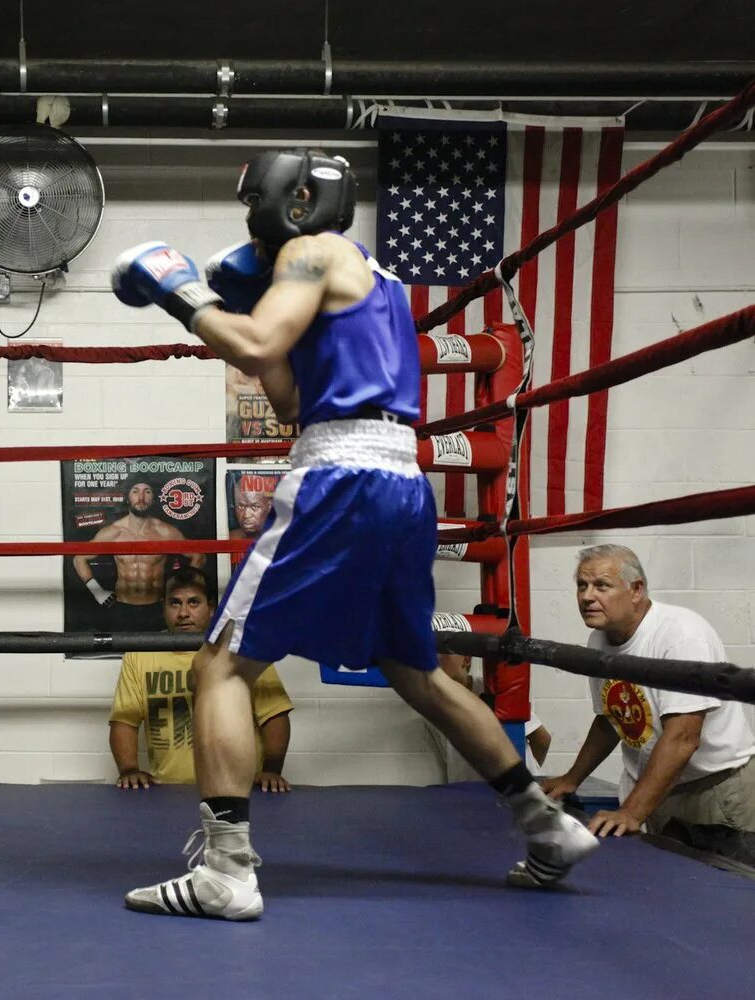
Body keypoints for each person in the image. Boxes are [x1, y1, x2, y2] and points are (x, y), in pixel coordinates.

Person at [108, 148, 597, 920]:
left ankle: (227, 873)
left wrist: (182, 292)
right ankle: (548, 824)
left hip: (340, 475)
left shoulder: (311, 251)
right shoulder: (377, 281)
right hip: (403, 484)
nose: (249, 228)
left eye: (252, 210)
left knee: (222, 667)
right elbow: (289, 390)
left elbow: (257, 347)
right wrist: (240, 304)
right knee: (420, 673)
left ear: (290, 201)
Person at [541, 545, 755, 857]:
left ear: (636, 590)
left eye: (601, 585)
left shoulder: (681, 635)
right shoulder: (599, 640)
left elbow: (682, 738)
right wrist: (573, 778)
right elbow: (611, 719)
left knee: (729, 897)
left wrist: (631, 812)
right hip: (661, 788)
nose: (587, 596)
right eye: (582, 585)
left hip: (715, 791)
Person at [111, 568, 292, 792]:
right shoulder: (140, 655)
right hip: (168, 794)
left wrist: (272, 771)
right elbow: (124, 721)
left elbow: (275, 715)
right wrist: (129, 770)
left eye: (193, 603)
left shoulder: (243, 652)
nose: (183, 613)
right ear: (163, 607)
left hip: (237, 790)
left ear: (212, 608)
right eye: (175, 603)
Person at [72, 481, 205, 632]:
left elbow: (198, 556)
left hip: (156, 608)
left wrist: (179, 591)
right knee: (124, 655)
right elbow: (79, 558)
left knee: (158, 654)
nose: (141, 497)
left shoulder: (165, 532)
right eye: (135, 491)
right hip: (121, 608)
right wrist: (97, 592)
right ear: (128, 498)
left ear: (153, 499)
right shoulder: (114, 532)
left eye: (147, 492)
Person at [427, 653, 552, 782]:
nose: (437, 657)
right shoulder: (433, 704)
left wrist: (529, 775)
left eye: (444, 653)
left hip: (515, 791)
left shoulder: (492, 690)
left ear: (466, 660)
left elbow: (542, 740)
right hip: (469, 793)